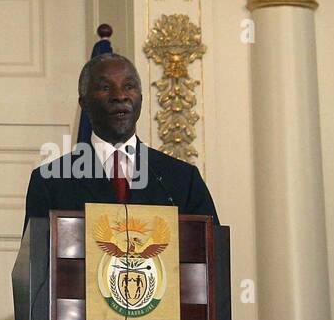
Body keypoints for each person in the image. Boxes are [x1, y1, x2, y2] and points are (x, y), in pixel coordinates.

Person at [23, 50, 219, 225]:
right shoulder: (50, 182)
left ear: (140, 98)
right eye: (106, 88)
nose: (120, 96)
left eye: (129, 86)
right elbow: (37, 262)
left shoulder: (182, 179)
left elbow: (213, 256)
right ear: (84, 103)